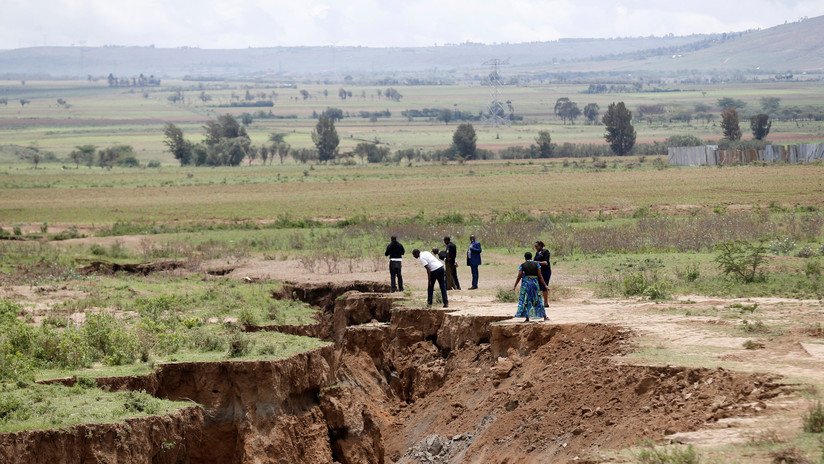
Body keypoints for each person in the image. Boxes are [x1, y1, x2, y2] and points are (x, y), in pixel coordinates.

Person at [512, 252, 547, 322]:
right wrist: (545, 285)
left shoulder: (522, 265)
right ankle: (544, 316)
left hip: (526, 284)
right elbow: (540, 276)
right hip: (535, 284)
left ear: (525, 258)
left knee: (526, 300)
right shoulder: (537, 264)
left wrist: (515, 286)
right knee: (538, 299)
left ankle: (527, 317)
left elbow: (519, 276)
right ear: (531, 257)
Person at [534, 241, 552, 313]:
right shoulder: (537, 253)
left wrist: (535, 262)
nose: (535, 248)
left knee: (544, 286)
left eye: (536, 246)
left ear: (541, 246)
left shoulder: (545, 252)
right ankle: (538, 302)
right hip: (539, 271)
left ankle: (546, 303)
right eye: (535, 247)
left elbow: (545, 262)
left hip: (545, 271)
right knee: (537, 286)